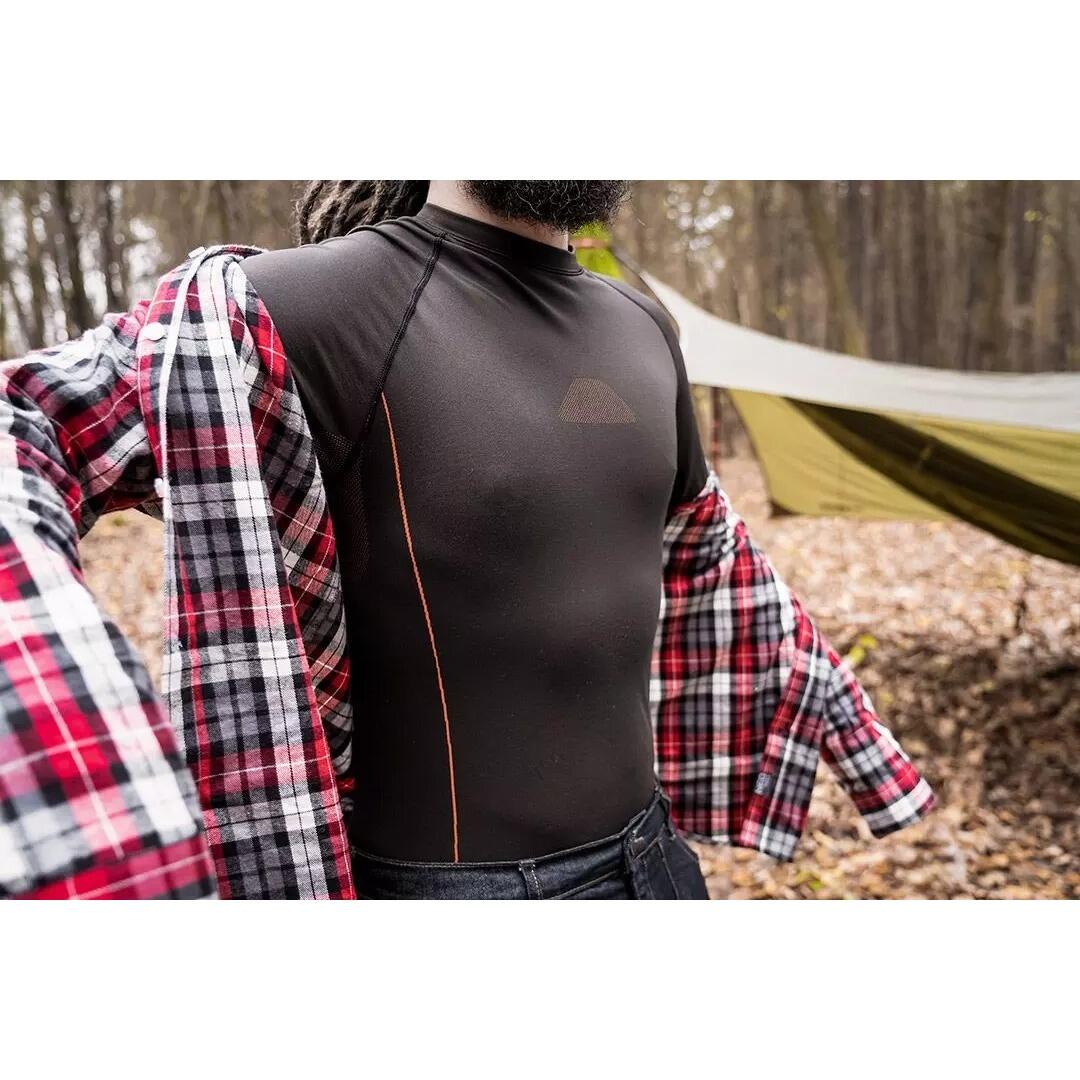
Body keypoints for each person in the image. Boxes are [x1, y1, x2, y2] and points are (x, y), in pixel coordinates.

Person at [0, 181, 933, 900]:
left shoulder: (643, 325)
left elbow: (711, 551)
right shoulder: (295, 310)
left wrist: (845, 727)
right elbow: (26, 423)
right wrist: (62, 739)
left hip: (657, 867)